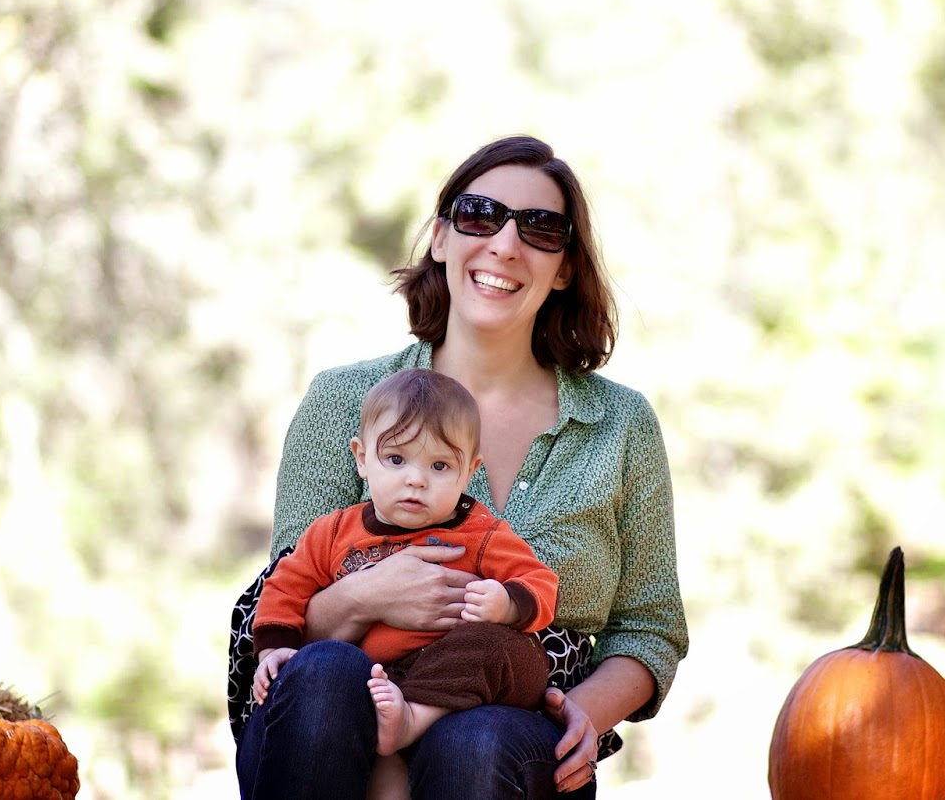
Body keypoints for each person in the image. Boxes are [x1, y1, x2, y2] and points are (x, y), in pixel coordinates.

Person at [230, 134, 687, 800]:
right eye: (480, 215)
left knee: (476, 742)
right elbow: (287, 604)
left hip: (515, 733)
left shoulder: (620, 425)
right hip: (341, 726)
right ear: (441, 238)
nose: (505, 244)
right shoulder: (343, 401)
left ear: (564, 267)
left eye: (541, 228)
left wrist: (583, 714)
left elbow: (649, 627)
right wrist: (370, 595)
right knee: (326, 673)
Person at [251, 367, 560, 756]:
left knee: (501, 646)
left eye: (439, 466)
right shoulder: (333, 532)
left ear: (469, 472)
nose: (416, 480)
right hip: (372, 681)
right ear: (362, 459)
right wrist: (274, 648)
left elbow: (540, 581)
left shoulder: (481, 533)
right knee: (332, 670)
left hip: (457, 680)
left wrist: (508, 604)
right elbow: (285, 585)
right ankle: (395, 730)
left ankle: (414, 717)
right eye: (396, 458)